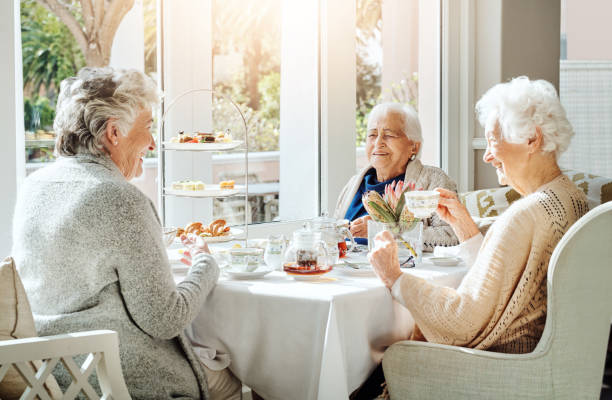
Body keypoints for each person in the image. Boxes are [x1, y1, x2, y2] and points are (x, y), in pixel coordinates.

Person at [12, 67, 241, 399]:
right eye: (147, 127)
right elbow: (165, 319)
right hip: (112, 378)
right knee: (248, 379)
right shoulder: (119, 198)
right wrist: (206, 265)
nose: (151, 141)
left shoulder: (35, 186)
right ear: (113, 132)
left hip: (47, 376)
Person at [369, 76, 589, 354]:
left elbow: (461, 321)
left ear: (532, 139)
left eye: (492, 141)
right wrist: (469, 234)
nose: (486, 156)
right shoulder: (570, 198)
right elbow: (505, 283)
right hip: (540, 357)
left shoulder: (525, 215)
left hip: (501, 362)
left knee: (385, 357)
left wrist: (394, 277)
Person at [333, 102, 458, 251]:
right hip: (349, 271)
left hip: (402, 271)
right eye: (372, 135)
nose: (378, 142)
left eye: (389, 135)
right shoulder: (354, 183)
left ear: (413, 146)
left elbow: (452, 236)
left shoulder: (434, 181)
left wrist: (382, 230)